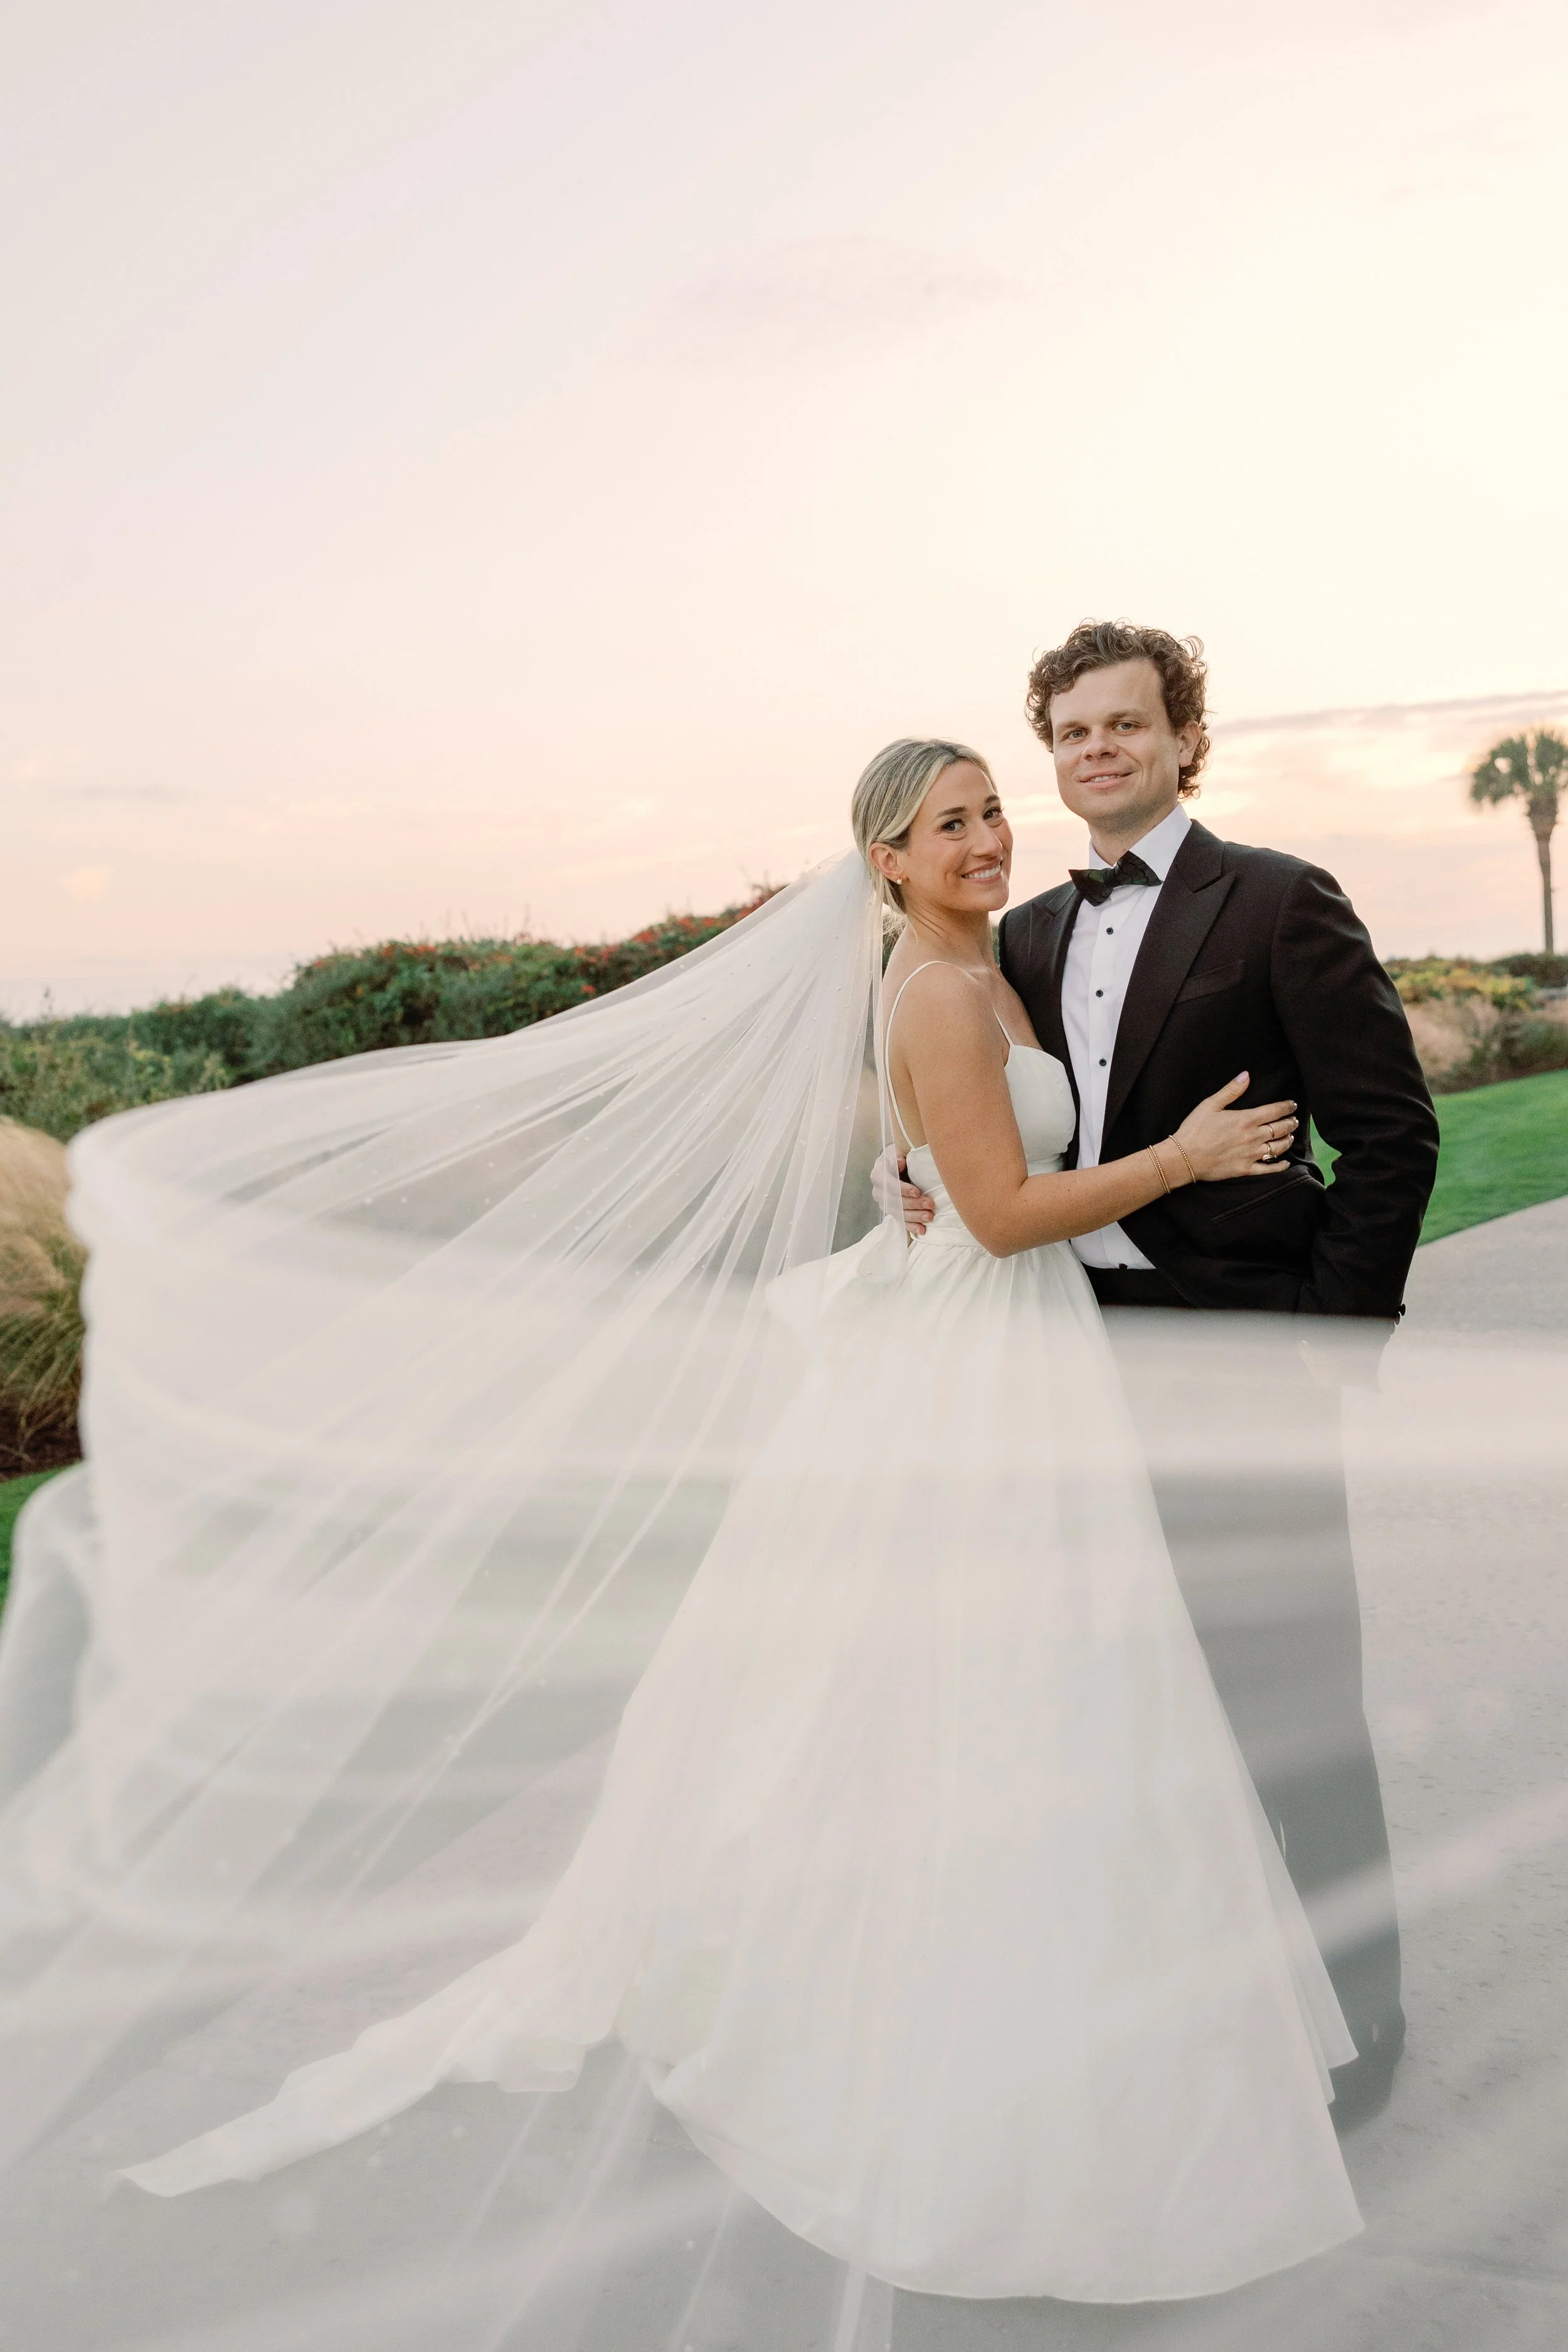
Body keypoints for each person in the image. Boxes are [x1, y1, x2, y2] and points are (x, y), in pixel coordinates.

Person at [106, 741, 1364, 2306]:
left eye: (987, 811)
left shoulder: (986, 966)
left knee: (1051, 1686)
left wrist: (931, 1168)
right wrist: (1169, 1161)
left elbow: (944, 1173)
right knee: (1009, 1689)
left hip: (1012, 1360)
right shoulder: (929, 989)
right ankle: (948, 2039)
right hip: (983, 1370)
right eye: (945, 823)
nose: (982, 837)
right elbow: (991, 1212)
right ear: (886, 860)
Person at [893, 623, 1441, 2113]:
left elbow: (1390, 1141)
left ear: (1180, 740)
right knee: (1122, 1704)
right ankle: (1191, 2011)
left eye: (1123, 726)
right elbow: (993, 1143)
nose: (1094, 753)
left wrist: (1317, 1354)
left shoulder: (1276, 902)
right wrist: (923, 1186)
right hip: (1066, 1368)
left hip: (1237, 1367)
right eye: (1068, 733)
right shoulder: (1022, 939)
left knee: (1291, 1708)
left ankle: (1358, 2023)